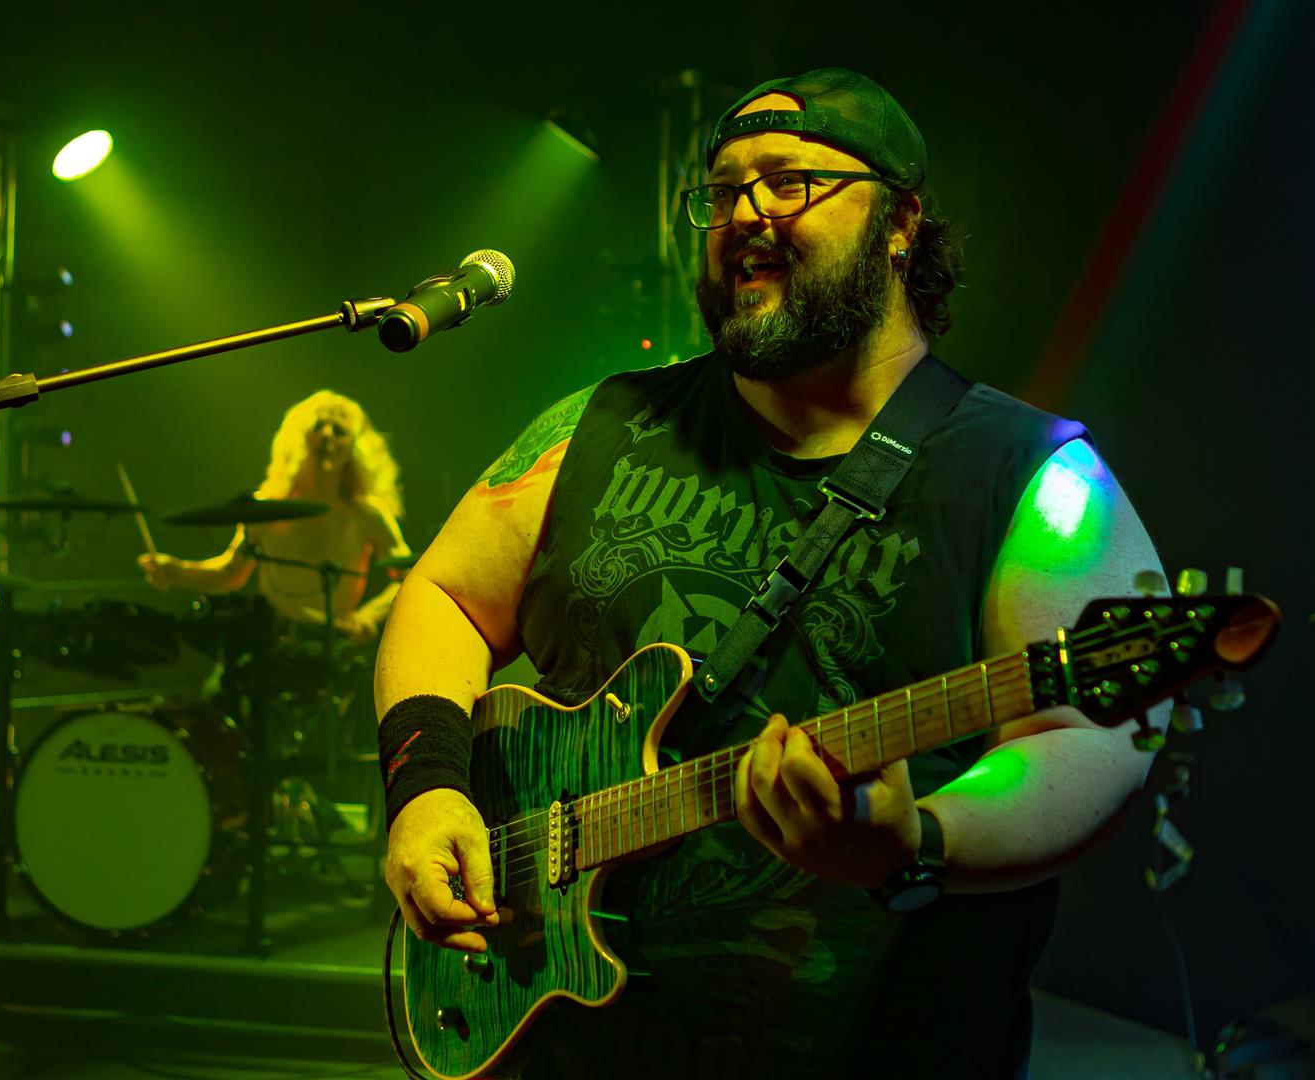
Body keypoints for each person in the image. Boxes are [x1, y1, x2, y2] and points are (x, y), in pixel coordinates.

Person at [374, 68, 1169, 1078]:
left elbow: (1084, 735)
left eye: (790, 181)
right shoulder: (600, 423)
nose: (746, 213)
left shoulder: (1034, 476)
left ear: (900, 223)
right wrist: (427, 791)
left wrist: (918, 839)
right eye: (721, 192)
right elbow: (443, 597)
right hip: (560, 1041)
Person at [139, 389, 410, 643]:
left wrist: (368, 615)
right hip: (270, 637)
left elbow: (409, 578)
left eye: (339, 431)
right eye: (318, 426)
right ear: (299, 439)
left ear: (354, 449)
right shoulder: (266, 509)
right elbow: (230, 574)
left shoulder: (368, 514)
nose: (327, 435)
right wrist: (177, 570)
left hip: (336, 641)